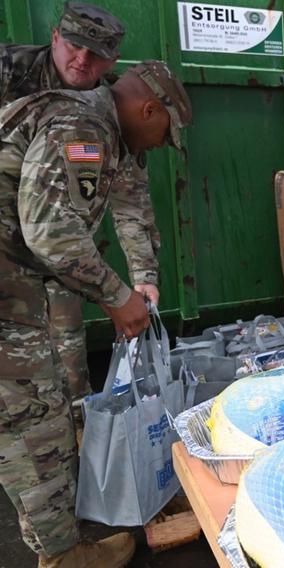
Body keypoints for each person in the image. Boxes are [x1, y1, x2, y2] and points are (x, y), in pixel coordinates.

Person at [0, 61, 191, 567]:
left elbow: (129, 204)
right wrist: (115, 295)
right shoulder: (82, 126)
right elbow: (49, 231)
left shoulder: (101, 127)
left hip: (15, 288)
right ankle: (63, 558)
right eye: (162, 134)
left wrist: (140, 279)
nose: (156, 145)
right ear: (149, 109)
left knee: (31, 421)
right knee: (32, 425)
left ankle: (59, 542)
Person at [0, 1, 162, 397]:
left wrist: (144, 277)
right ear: (55, 37)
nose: (82, 60)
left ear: (113, 60)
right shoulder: (9, 71)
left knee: (67, 346)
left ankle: (74, 414)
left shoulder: (111, 108)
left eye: (97, 54)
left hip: (57, 251)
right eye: (74, 45)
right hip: (14, 247)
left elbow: (130, 199)